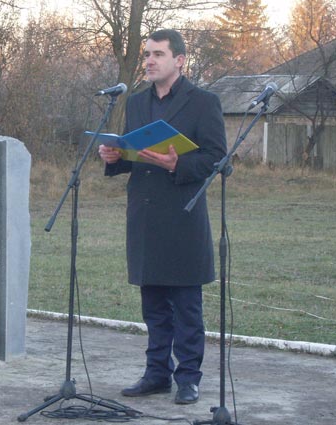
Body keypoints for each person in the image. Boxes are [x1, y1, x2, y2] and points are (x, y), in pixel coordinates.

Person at [98, 29, 227, 405]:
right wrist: (115, 157)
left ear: (180, 60)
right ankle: (156, 374)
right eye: (147, 55)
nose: (149, 61)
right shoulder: (137, 102)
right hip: (145, 215)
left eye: (158, 54)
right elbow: (134, 152)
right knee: (153, 305)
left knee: (186, 307)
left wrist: (178, 164)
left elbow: (217, 158)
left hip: (183, 216)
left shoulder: (203, 102)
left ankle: (188, 378)